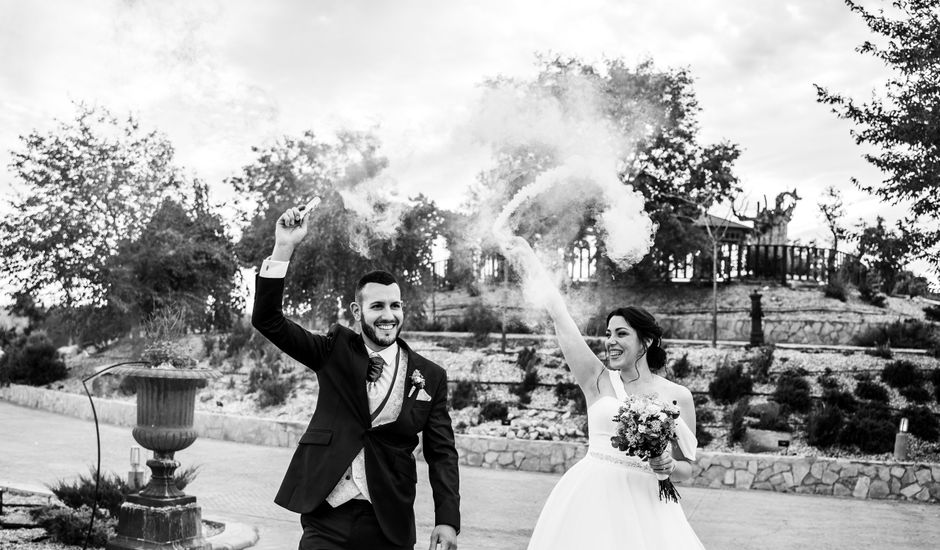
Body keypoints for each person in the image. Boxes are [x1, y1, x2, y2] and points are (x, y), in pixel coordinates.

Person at [251, 203, 460, 550]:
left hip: (389, 523)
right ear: (357, 311)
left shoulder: (431, 377)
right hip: (326, 516)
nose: (388, 316)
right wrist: (284, 247)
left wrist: (447, 520)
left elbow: (442, 454)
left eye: (395, 306)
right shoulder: (333, 351)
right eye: (377, 306)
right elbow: (268, 320)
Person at [501, 236, 704, 550]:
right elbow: (558, 313)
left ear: (646, 342)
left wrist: (668, 465)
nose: (610, 341)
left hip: (647, 507)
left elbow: (687, 470)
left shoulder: (679, 397)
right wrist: (528, 259)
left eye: (621, 334)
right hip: (590, 500)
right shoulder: (596, 378)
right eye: (608, 333)